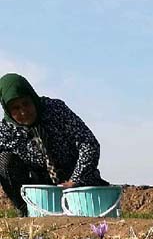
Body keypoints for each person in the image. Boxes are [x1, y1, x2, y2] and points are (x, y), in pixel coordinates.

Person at [0, 73, 107, 216]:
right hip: (42, 190)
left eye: (26, 103)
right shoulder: (7, 130)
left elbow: (88, 143)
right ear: (7, 110)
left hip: (77, 180)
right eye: (16, 108)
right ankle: (26, 212)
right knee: (4, 160)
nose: (23, 112)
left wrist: (75, 180)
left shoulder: (55, 110)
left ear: (33, 98)